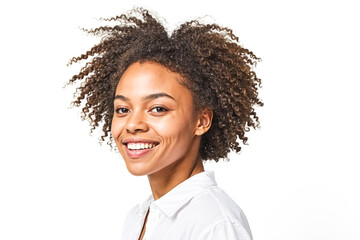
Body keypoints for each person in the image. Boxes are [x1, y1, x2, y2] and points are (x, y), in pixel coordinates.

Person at [67, 8, 263, 240]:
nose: (133, 124)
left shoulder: (215, 224)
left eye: (158, 108)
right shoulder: (138, 218)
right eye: (123, 109)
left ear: (201, 121)